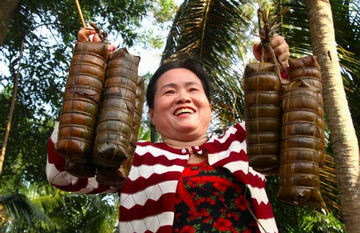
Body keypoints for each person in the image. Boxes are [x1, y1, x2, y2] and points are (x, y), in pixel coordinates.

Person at [46, 28, 290, 233]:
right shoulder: (133, 156)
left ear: (209, 106)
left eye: (193, 90)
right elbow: (62, 174)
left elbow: (291, 123)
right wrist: (91, 71)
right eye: (169, 92)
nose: (183, 98)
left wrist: (276, 66)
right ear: (151, 115)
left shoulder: (241, 141)